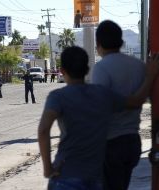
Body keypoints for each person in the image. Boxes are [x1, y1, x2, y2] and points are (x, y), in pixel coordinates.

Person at [38, 46, 159, 190]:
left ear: (62, 71)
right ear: (87, 70)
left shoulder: (57, 97)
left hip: (66, 176)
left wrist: (48, 168)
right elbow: (137, 101)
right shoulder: (102, 94)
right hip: (95, 179)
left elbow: (44, 130)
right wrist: (151, 75)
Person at [91, 20, 146, 190]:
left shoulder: (101, 68)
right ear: (121, 42)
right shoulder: (139, 66)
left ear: (98, 44)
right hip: (133, 141)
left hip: (111, 143)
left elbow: (100, 108)